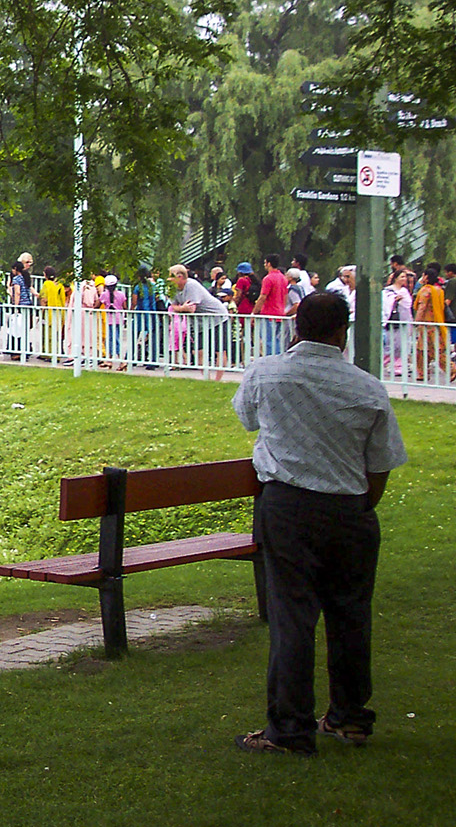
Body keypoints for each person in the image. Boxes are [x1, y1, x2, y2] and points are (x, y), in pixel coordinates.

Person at [231, 292, 407, 755]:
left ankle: (289, 729)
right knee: (351, 616)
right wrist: (363, 503)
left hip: (287, 508)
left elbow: (246, 417)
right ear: (342, 331)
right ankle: (349, 718)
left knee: (293, 618)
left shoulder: (266, 373)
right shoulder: (367, 388)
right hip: (350, 512)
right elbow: (382, 460)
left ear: (296, 325)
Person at [168, 263, 231, 380]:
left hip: (217, 318)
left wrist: (180, 308)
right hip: (199, 323)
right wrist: (182, 308)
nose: (169, 279)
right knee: (198, 351)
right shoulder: (173, 289)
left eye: (171, 276)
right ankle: (206, 379)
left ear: (180, 277)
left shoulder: (191, 285)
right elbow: (173, 307)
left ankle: (218, 380)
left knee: (219, 349)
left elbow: (191, 309)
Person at [413, 266, 447, 381]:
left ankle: (451, 369)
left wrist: (416, 322)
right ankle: (422, 373)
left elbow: (422, 307)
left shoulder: (425, 290)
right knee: (433, 350)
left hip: (426, 325)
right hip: (436, 324)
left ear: (426, 277)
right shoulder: (439, 290)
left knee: (423, 350)